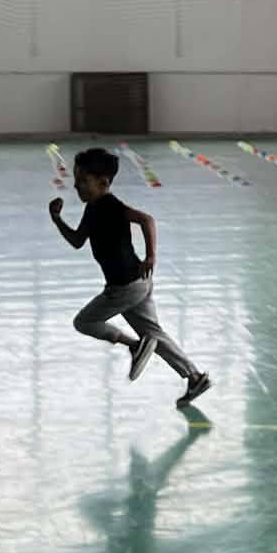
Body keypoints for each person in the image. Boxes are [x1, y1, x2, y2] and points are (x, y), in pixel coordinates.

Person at [50, 147, 211, 409]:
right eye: (76, 180)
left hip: (124, 287)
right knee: (154, 334)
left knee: (84, 321)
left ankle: (135, 346)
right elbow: (78, 241)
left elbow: (146, 220)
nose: (77, 186)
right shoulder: (93, 208)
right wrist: (57, 219)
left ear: (103, 182)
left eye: (83, 180)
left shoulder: (110, 205)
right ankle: (194, 377)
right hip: (138, 284)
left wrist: (151, 256)